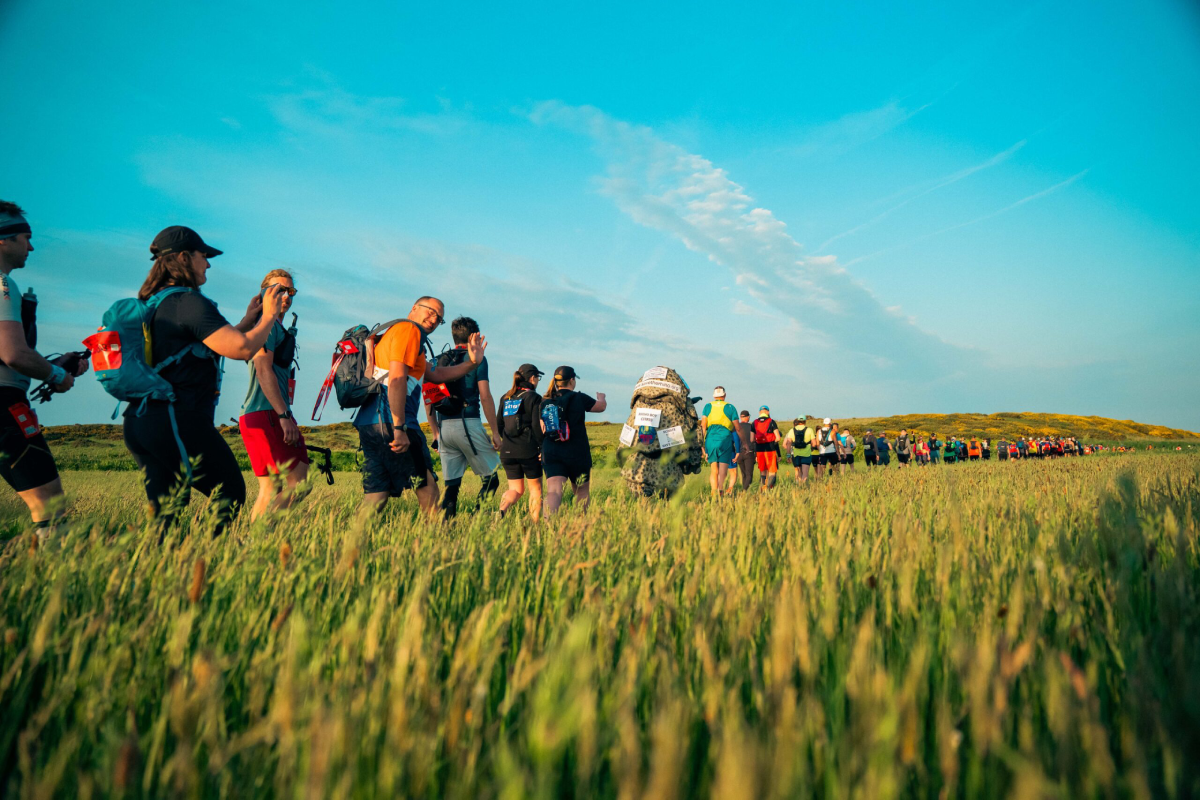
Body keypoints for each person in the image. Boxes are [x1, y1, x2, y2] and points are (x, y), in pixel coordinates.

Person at [122, 226, 286, 534]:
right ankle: (203, 560)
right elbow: (241, 348)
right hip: (176, 419)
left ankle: (159, 572)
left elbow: (203, 344)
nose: (208, 263)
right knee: (230, 492)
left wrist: (248, 321)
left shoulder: (157, 303)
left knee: (168, 511)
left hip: (141, 421)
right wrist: (267, 316)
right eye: (203, 256)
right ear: (184, 258)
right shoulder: (189, 302)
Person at [354, 296, 486, 516]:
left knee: (377, 494)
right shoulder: (409, 331)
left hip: (370, 422)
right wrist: (399, 428)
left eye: (439, 318)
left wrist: (472, 363)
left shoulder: (398, 334)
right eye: (431, 312)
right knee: (428, 489)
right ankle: (434, 546)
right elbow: (396, 378)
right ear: (414, 308)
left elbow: (435, 374)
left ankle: (350, 545)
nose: (434, 319)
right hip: (393, 421)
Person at [0, 201, 85, 532]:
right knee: (49, 502)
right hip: (5, 403)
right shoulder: (3, 286)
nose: (31, 246)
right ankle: (48, 579)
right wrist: (58, 374)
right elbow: (14, 354)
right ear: (3, 239)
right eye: (25, 237)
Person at [238, 269, 309, 521]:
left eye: (290, 291)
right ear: (264, 292)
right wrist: (284, 414)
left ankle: (257, 544)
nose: (286, 296)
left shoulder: (276, 326)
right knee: (297, 482)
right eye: (279, 289)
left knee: (274, 488)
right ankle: (257, 538)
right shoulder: (266, 326)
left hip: (264, 413)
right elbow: (262, 369)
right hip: (267, 412)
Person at [426, 316, 502, 519]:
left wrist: (435, 432)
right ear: (474, 336)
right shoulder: (478, 360)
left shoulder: (438, 360)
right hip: (467, 422)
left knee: (452, 484)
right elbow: (485, 396)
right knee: (491, 480)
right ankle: (476, 520)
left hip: (444, 428)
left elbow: (428, 399)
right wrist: (495, 432)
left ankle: (447, 527)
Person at [541, 366, 606, 515]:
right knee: (581, 492)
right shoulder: (579, 397)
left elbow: (542, 428)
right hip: (577, 451)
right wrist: (601, 397)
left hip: (551, 451)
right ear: (572, 380)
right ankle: (578, 527)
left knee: (554, 491)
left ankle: (547, 525)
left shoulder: (546, 401)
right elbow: (600, 407)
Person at [496, 363, 544, 521]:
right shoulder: (534, 397)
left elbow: (499, 425)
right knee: (535, 490)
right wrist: (542, 448)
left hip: (507, 451)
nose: (538, 381)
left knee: (515, 490)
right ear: (532, 378)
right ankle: (536, 527)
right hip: (528, 450)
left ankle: (501, 511)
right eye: (538, 377)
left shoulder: (505, 397)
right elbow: (537, 426)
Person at [699, 387, 738, 497]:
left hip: (710, 440)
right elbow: (737, 427)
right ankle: (721, 491)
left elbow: (703, 426)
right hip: (725, 439)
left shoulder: (707, 406)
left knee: (713, 470)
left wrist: (701, 445)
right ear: (724, 395)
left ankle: (713, 492)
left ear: (714, 396)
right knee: (723, 469)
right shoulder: (730, 407)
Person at [752, 406, 781, 488]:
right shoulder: (772, 421)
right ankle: (769, 488)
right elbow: (778, 438)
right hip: (770, 449)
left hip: (759, 450)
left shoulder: (754, 423)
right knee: (772, 471)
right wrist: (771, 441)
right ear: (768, 412)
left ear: (759, 412)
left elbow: (751, 439)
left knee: (763, 471)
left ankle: (762, 487)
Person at [782, 416, 814, 483]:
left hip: (796, 454)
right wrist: (811, 448)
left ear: (798, 421)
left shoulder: (791, 430)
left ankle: (799, 487)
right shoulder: (809, 430)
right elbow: (814, 443)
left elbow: (788, 443)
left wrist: (788, 455)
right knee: (805, 475)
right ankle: (803, 488)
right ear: (805, 421)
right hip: (806, 454)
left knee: (799, 473)